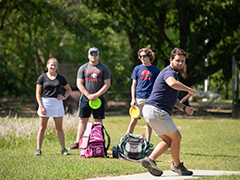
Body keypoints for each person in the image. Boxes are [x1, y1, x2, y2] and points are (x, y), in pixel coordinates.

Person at [141, 48, 196, 176]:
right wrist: (189, 89)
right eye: (177, 61)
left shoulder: (172, 73)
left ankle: (150, 159)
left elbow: (173, 98)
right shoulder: (169, 72)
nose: (180, 63)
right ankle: (177, 166)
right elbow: (172, 83)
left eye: (183, 61)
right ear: (171, 60)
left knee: (168, 141)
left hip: (150, 110)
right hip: (156, 110)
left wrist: (183, 107)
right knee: (177, 137)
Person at [68, 47, 111, 149]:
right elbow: (79, 83)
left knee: (98, 121)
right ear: (88, 55)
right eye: (91, 54)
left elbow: (107, 84)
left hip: (99, 99)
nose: (93, 56)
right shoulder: (83, 68)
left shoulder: (104, 68)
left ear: (98, 55)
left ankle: (98, 143)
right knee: (83, 120)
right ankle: (78, 142)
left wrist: (97, 95)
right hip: (85, 98)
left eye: (95, 54)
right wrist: (88, 95)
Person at [35, 58, 72, 156]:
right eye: (51, 65)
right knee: (42, 127)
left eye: (55, 65)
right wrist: (41, 106)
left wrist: (64, 97)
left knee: (59, 128)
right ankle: (38, 150)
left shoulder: (60, 78)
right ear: (47, 65)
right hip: (45, 103)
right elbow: (38, 93)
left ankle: (63, 149)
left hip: (57, 104)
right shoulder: (42, 77)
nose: (53, 67)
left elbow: (69, 89)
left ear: (57, 67)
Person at [126, 48, 160, 143]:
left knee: (148, 122)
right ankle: (126, 141)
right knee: (133, 121)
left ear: (149, 56)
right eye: (140, 56)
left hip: (150, 99)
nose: (142, 58)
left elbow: (158, 85)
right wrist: (133, 99)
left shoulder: (155, 69)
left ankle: (147, 143)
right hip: (138, 99)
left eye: (144, 56)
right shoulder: (137, 69)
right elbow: (134, 85)